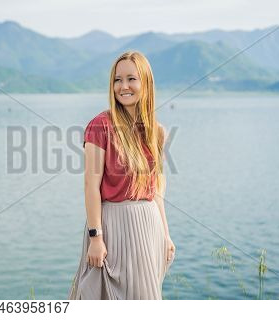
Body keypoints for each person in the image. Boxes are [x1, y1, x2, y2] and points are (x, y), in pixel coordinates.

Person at [68, 51, 175, 300]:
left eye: (131, 79)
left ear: (145, 83)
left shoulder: (156, 132)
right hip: (112, 227)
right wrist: (96, 237)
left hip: (150, 227)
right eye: (117, 80)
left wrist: (166, 234)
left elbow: (156, 189)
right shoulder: (100, 126)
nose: (123, 86)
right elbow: (90, 186)